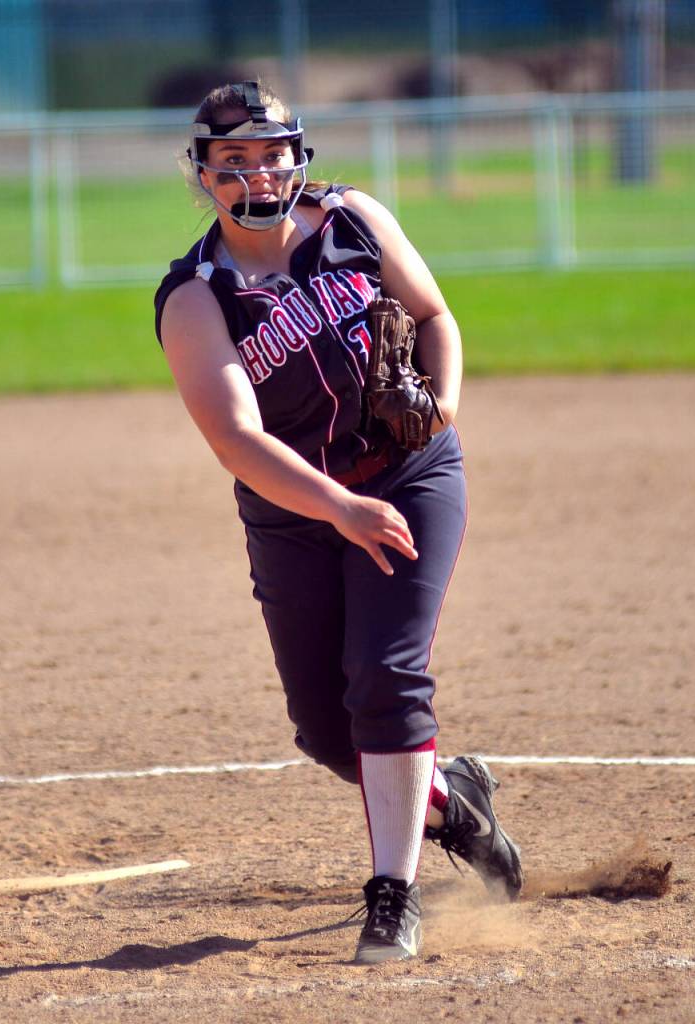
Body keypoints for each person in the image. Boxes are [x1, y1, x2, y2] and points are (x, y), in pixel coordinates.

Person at [154, 80, 523, 964]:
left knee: (386, 681)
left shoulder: (353, 220)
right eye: (231, 160)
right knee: (328, 729)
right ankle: (451, 794)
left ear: (298, 155)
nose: (256, 173)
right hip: (296, 513)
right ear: (203, 176)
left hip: (405, 480)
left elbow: (434, 317)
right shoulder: (196, 297)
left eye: (271, 152)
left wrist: (437, 411)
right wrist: (338, 508)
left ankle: (391, 898)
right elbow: (236, 438)